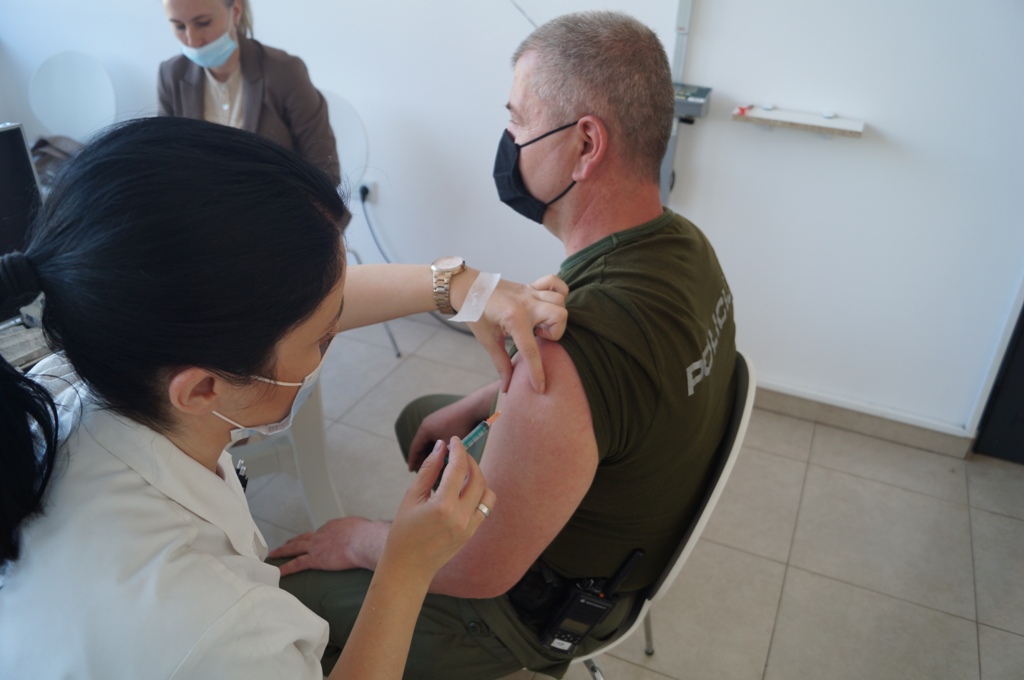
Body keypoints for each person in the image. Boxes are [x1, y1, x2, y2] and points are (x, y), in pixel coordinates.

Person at [0, 116, 569, 678]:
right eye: (323, 338)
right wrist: (405, 566)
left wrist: (459, 286)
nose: (334, 335)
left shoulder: (89, 365)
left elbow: (304, 302)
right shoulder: (217, 627)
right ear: (202, 388)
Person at [270, 10, 738, 680]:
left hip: (529, 610)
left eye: (518, 120)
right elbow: (625, 388)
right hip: (629, 527)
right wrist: (485, 400)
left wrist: (362, 541)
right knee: (424, 419)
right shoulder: (685, 245)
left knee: (287, 599)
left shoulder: (574, 350)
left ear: (585, 144)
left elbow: (477, 569)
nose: (509, 140)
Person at [158, 0, 341, 186]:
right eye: (179, 26)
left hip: (278, 202)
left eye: (203, 23)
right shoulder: (171, 76)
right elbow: (166, 166)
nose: (192, 40)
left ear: (236, 11)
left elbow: (325, 174)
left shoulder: (285, 73)